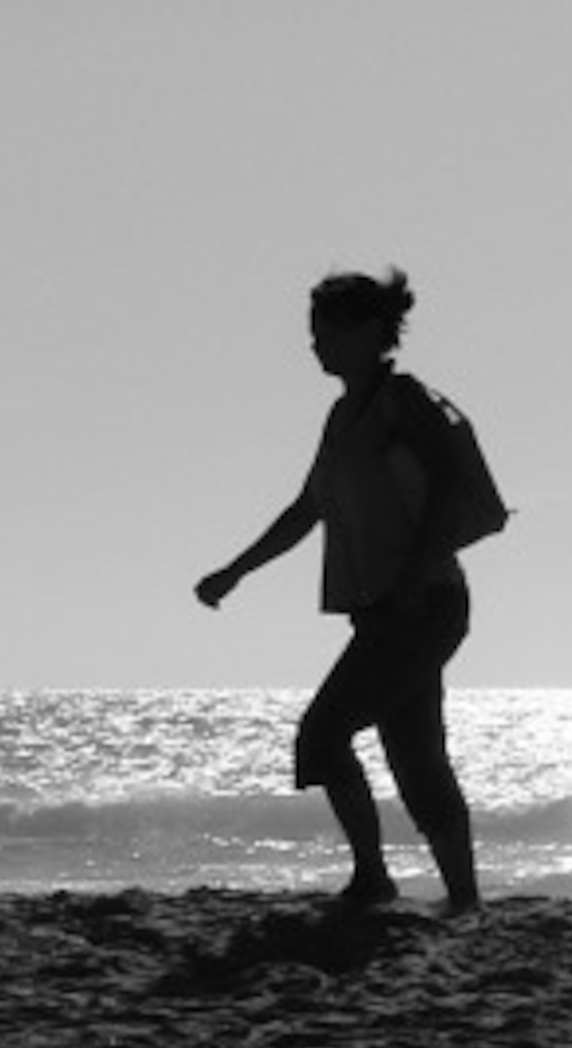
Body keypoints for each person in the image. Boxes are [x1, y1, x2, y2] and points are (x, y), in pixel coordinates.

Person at [196, 268, 492, 912]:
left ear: (368, 330)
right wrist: (236, 570)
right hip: (383, 610)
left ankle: (375, 878)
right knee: (415, 753)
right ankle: (460, 898)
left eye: (325, 331)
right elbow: (309, 508)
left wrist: (411, 580)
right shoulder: (342, 415)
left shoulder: (404, 401)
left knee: (325, 735)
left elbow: (448, 489)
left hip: (423, 605)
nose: (315, 345)